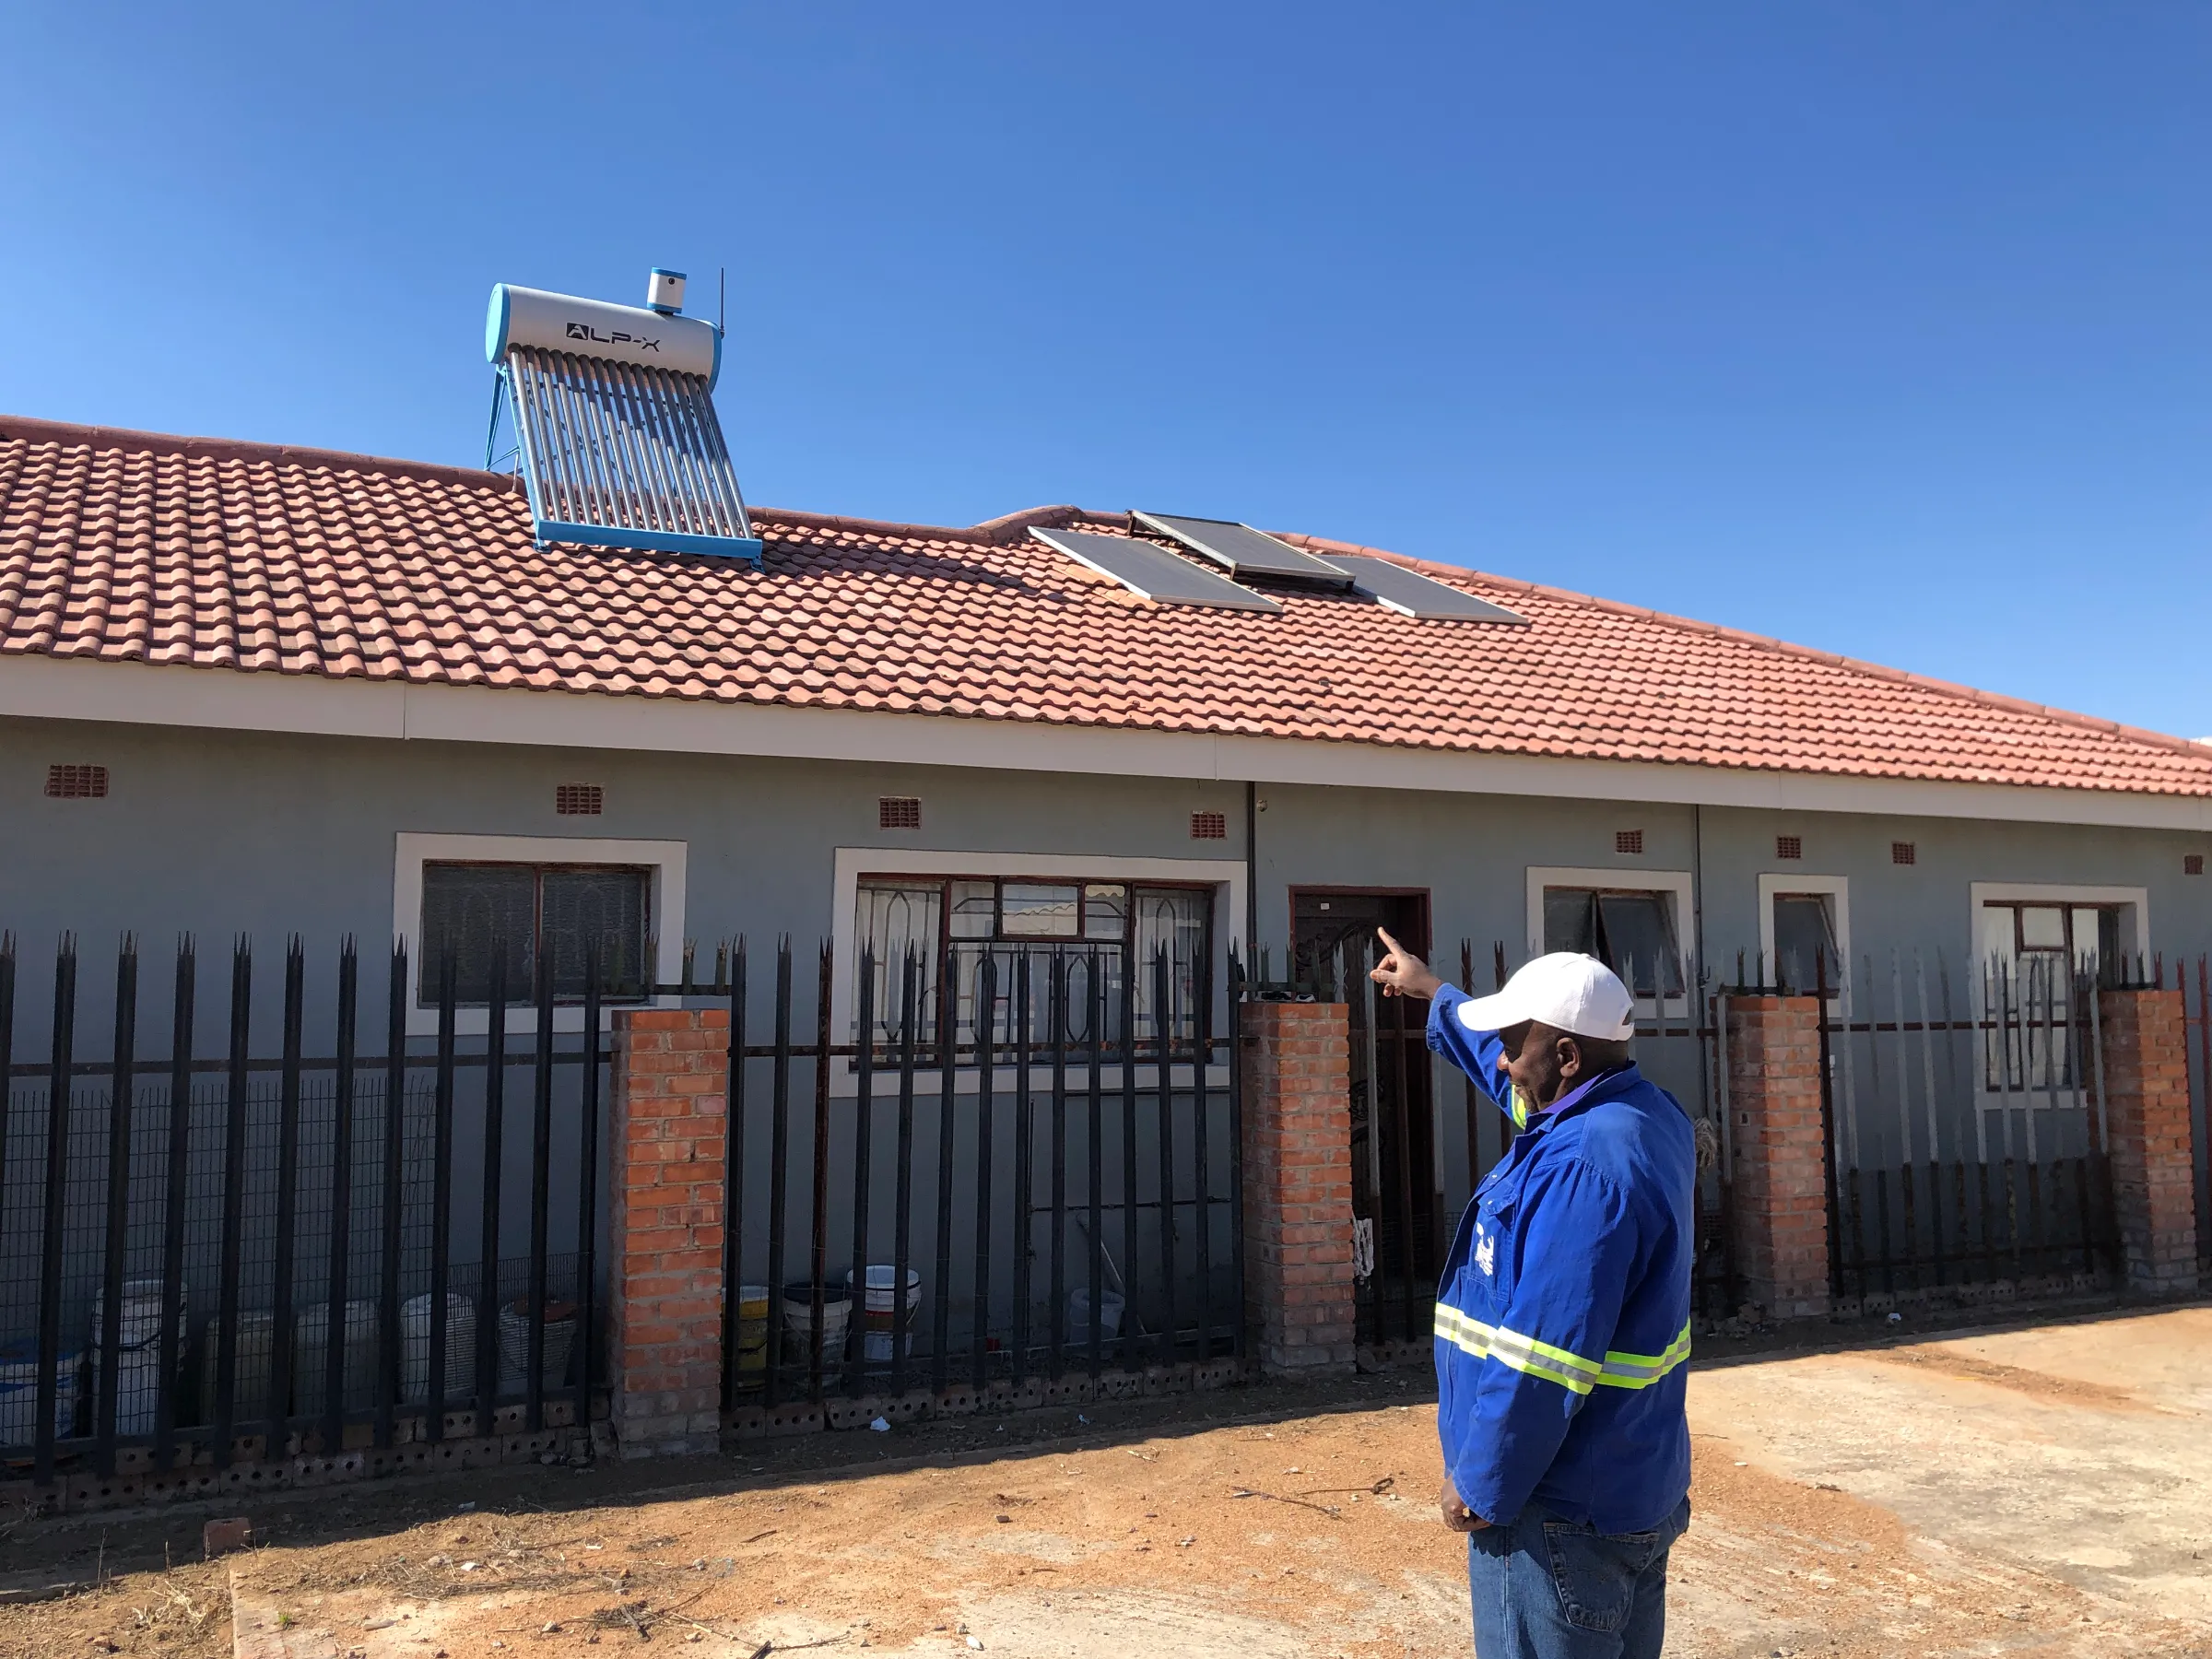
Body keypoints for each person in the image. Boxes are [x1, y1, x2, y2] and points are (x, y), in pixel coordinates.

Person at [1369, 932, 1696, 1659]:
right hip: (1633, 1483)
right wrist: (1434, 994)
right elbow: (1510, 1083)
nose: (1505, 1063)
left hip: (1556, 1511)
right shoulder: (1641, 1118)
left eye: (1517, 1045)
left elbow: (1544, 1356)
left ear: (1568, 1058)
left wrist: (1483, 1485)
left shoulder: (1581, 1169)